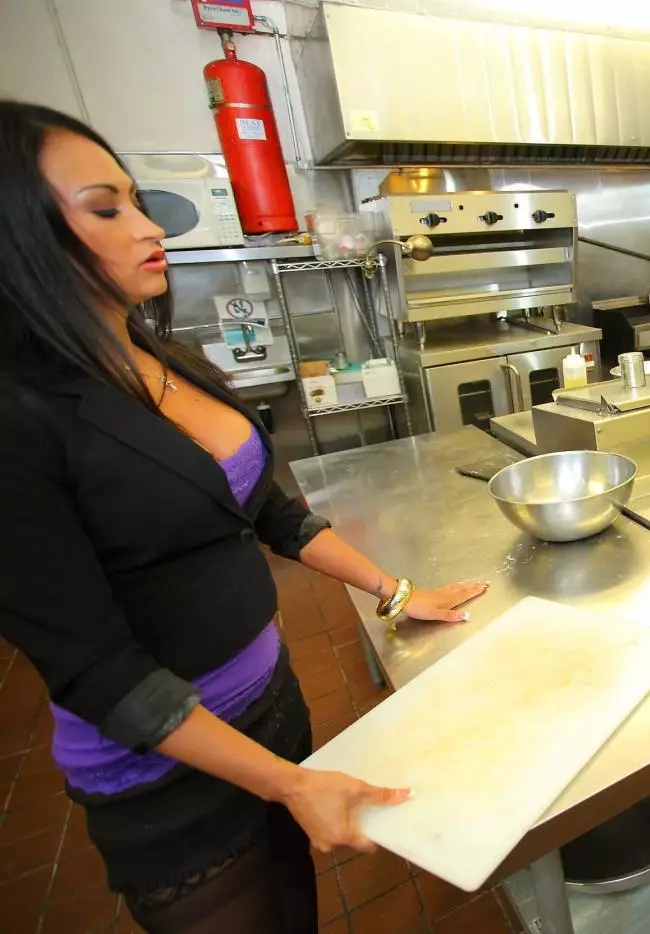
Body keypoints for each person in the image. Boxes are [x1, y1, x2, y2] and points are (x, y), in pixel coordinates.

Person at [0, 101, 490, 932]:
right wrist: (289, 784)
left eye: (137, 200)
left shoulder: (160, 355)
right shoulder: (20, 418)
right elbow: (97, 671)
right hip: (166, 770)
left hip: (270, 704)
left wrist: (398, 592)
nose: (149, 227)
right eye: (105, 208)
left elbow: (267, 510)